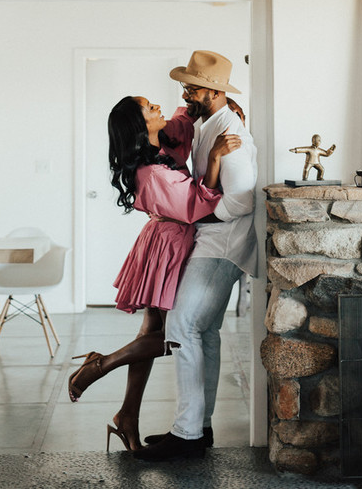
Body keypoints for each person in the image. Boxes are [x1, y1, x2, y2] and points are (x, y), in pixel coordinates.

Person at [67, 94, 241, 452]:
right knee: (171, 335)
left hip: (162, 241)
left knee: (153, 330)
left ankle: (128, 415)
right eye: (149, 108)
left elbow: (182, 123)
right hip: (170, 244)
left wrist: (210, 105)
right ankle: (100, 366)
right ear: (139, 124)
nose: (158, 108)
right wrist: (216, 157)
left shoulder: (160, 144)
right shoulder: (152, 171)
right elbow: (195, 205)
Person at [135, 50, 258, 461]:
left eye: (191, 85)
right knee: (202, 333)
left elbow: (240, 200)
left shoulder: (229, 130)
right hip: (213, 240)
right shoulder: (207, 122)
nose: (184, 90)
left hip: (221, 242)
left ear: (212, 91)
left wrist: (206, 220)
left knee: (182, 327)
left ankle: (186, 434)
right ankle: (199, 429)